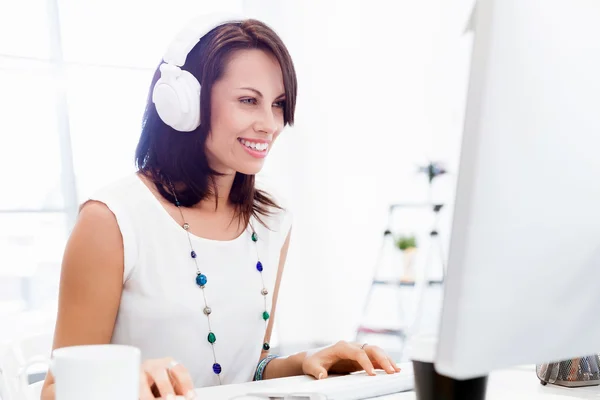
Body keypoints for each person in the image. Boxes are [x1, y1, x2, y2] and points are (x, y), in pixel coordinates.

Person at [41, 15, 401, 400]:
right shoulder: (111, 220)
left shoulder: (272, 218)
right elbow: (55, 391)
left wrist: (305, 361)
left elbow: (246, 371)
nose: (270, 124)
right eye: (248, 100)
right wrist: (122, 384)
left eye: (278, 104)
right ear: (185, 104)